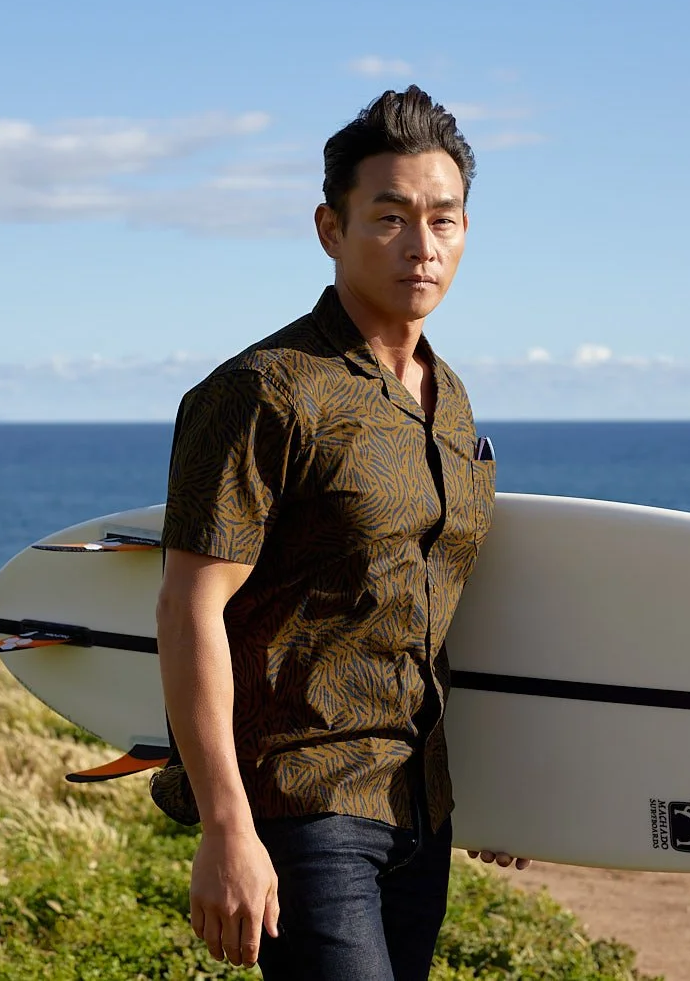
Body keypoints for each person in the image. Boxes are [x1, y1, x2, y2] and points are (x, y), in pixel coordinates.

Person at [152, 86, 523, 980]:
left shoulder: (451, 398)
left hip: (417, 809)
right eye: (389, 217)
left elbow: (437, 608)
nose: (421, 245)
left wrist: (518, 788)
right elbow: (188, 609)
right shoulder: (266, 391)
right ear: (330, 228)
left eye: (444, 219)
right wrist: (226, 829)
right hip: (302, 805)